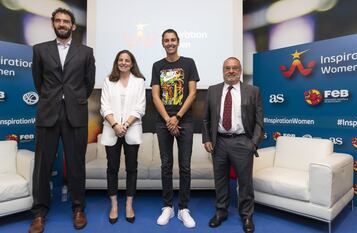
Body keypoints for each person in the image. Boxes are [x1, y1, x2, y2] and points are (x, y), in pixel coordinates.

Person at [29, 7, 95, 233]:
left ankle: (78, 209)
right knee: (42, 166)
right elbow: (38, 82)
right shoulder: (39, 50)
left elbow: (88, 84)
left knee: (76, 165)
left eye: (66, 21)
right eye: (58, 20)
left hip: (75, 115)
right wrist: (53, 99)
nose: (62, 24)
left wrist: (73, 100)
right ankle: (38, 213)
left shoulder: (86, 52)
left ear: (73, 26)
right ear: (53, 24)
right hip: (48, 113)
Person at [202, 57, 264, 233]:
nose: (231, 71)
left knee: (245, 182)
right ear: (223, 70)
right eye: (227, 68)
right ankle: (221, 212)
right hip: (219, 141)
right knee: (220, 180)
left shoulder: (252, 91)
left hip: (242, 141)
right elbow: (206, 118)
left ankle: (247, 216)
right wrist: (207, 139)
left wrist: (253, 144)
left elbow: (259, 122)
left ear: (240, 70)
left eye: (234, 68)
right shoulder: (213, 90)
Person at [151, 29, 199, 228]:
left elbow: (193, 93)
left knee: (185, 166)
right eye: (166, 40)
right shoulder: (157, 66)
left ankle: (183, 209)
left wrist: (177, 117)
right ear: (162, 43)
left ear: (178, 42)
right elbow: (155, 96)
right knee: (166, 164)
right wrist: (168, 120)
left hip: (185, 121)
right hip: (163, 121)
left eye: (173, 40)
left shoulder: (188, 63)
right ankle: (168, 207)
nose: (170, 43)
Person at [100, 50, 146, 224]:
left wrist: (125, 125)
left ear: (132, 63)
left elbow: (140, 107)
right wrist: (115, 125)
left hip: (131, 130)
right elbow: (104, 106)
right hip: (111, 130)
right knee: (112, 168)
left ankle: (128, 204)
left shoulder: (139, 82)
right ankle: (114, 205)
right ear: (116, 62)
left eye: (127, 60)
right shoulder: (108, 80)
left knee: (131, 169)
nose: (124, 63)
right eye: (121, 60)